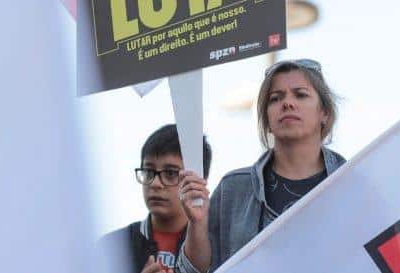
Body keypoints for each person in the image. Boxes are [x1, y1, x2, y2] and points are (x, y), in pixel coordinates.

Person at [179, 58, 345, 273]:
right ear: (266, 117)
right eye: (275, 98)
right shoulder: (233, 189)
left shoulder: (352, 183)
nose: (288, 103)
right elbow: (194, 271)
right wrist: (197, 225)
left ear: (325, 113)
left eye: (300, 94)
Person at [99, 124, 212, 273]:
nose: (155, 183)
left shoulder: (219, 242)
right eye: (148, 171)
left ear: (199, 179)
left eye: (171, 173)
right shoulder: (113, 247)